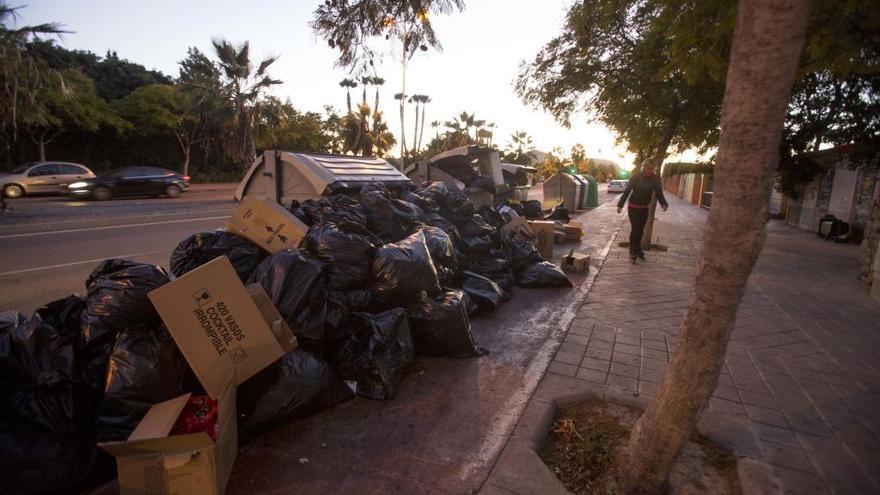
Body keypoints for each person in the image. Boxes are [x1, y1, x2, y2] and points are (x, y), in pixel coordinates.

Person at [617, 159, 668, 262]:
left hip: (644, 208)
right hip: (633, 207)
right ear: (643, 167)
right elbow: (627, 191)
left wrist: (664, 204)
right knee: (635, 228)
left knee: (640, 231)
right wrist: (620, 205)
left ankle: (638, 249)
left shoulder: (655, 179)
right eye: (647, 168)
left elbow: (659, 192)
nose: (649, 170)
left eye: (652, 168)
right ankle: (632, 251)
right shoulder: (636, 177)